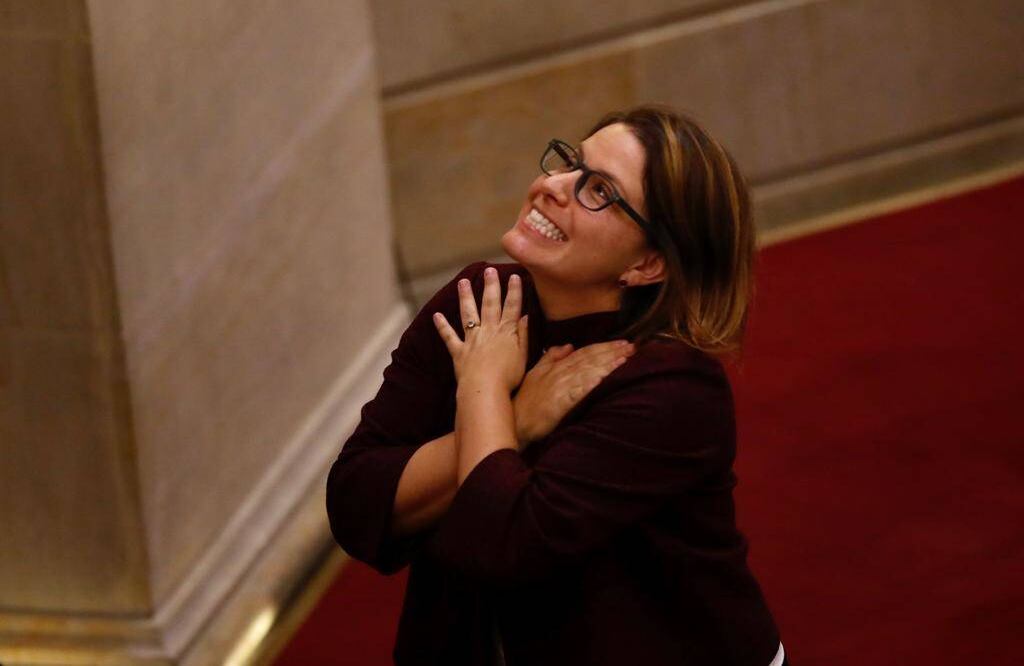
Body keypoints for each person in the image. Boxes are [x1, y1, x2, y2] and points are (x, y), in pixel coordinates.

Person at [326, 105, 787, 665]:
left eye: (599, 191)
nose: (553, 186)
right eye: (572, 162)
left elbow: (499, 540)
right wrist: (513, 419)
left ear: (648, 264)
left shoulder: (671, 388)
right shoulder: (481, 302)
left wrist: (482, 388)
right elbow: (355, 501)